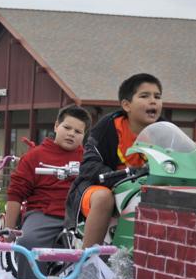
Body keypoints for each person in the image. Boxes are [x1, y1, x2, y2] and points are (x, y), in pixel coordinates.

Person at [4, 105, 91, 279]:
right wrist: (9, 228)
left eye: (78, 131)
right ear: (56, 126)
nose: (71, 134)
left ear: (84, 135)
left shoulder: (88, 160)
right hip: (44, 213)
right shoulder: (35, 156)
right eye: (67, 128)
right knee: (28, 241)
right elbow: (16, 193)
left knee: (94, 250)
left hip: (79, 216)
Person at [65, 73, 163, 248]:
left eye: (157, 96)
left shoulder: (164, 131)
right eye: (144, 96)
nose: (153, 101)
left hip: (143, 191)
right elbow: (89, 167)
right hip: (102, 187)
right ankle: (88, 263)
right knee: (104, 198)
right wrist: (121, 176)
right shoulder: (107, 128)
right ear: (126, 105)